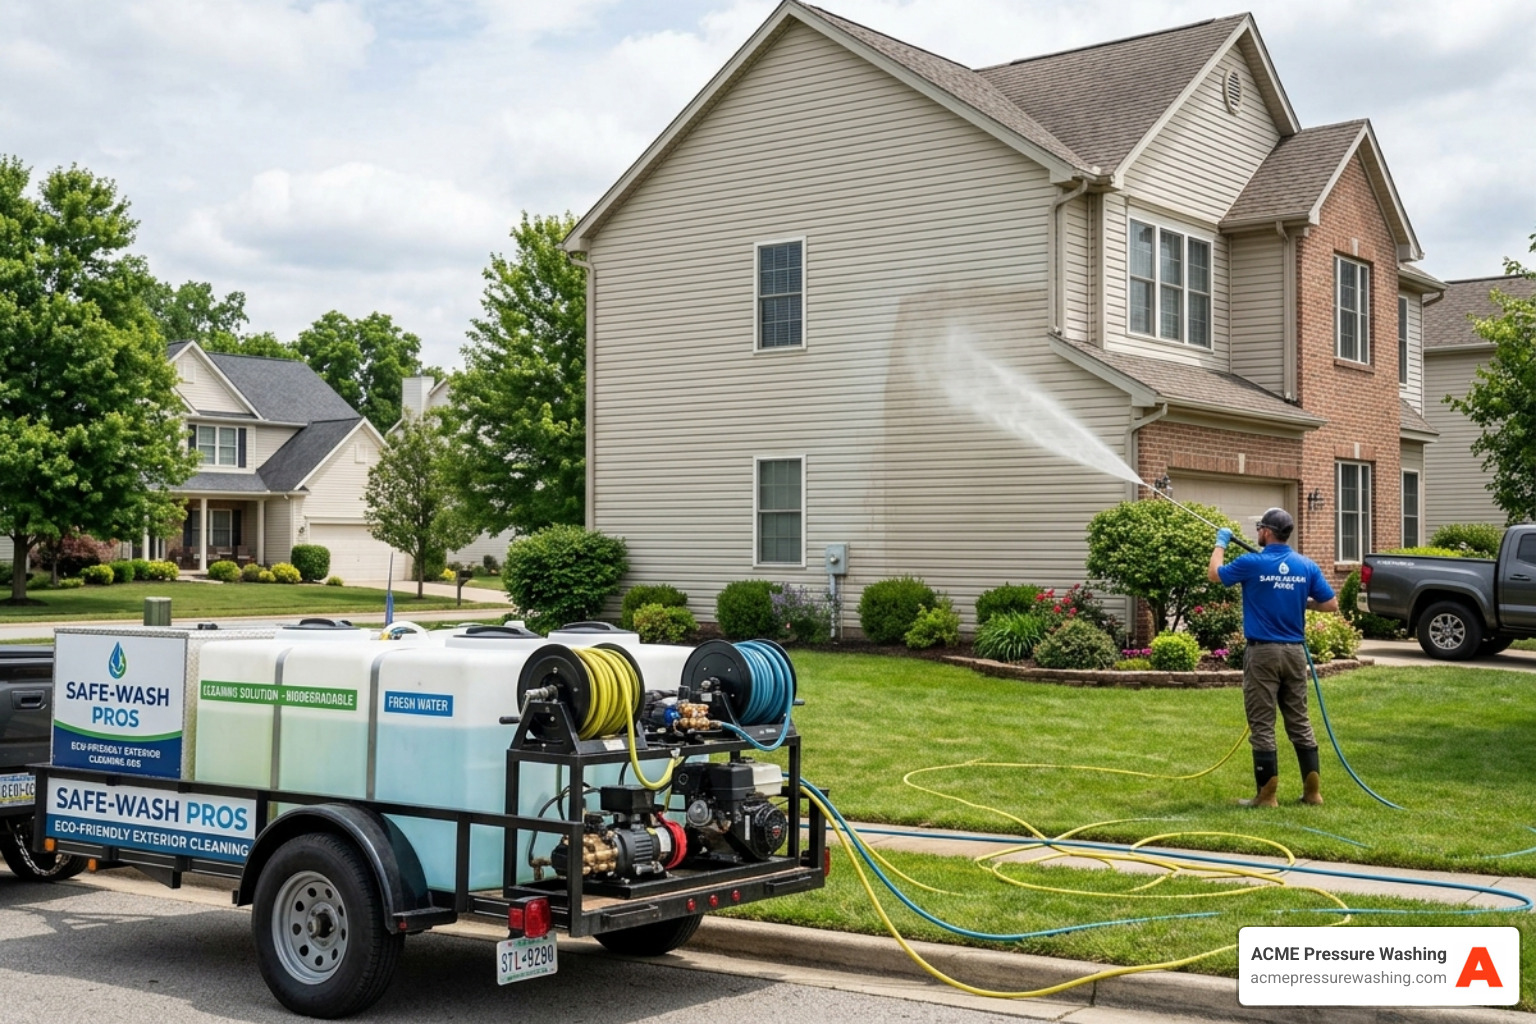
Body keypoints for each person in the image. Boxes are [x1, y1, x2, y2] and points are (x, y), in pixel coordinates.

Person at [1207, 507, 1338, 807]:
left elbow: (1214, 574)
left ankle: (1266, 797)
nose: (1257, 533)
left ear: (1266, 532)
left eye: (1259, 528)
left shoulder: (1252, 563)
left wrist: (1220, 543)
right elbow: (1331, 604)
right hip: (1295, 654)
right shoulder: (1305, 565)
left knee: (1263, 724)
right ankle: (1313, 793)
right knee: (1299, 721)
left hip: (1263, 653)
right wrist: (1301, 601)